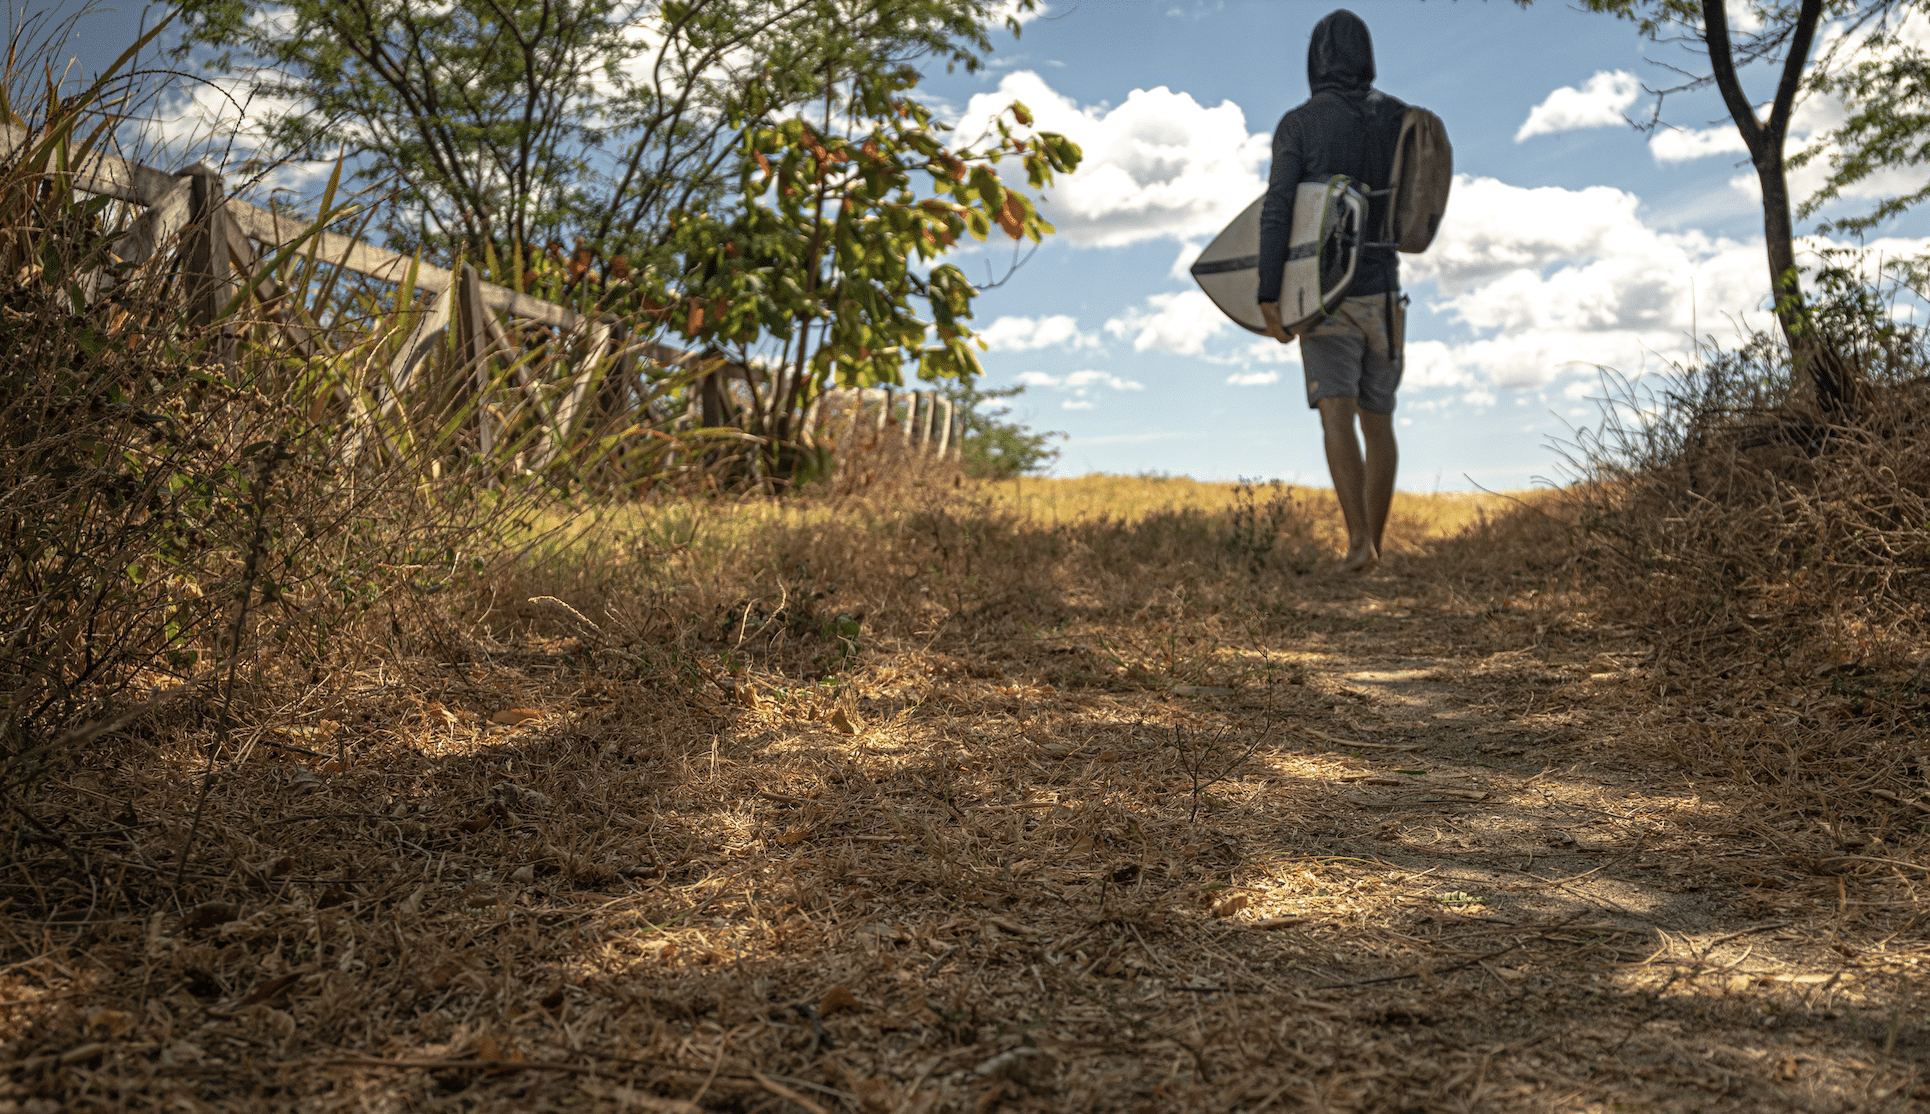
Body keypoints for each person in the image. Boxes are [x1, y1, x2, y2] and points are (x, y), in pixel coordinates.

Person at [1256, 9, 1407, 575]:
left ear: (1315, 59)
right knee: (1380, 421)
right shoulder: (1400, 118)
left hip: (1323, 295)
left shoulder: (1298, 124)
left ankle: (1357, 543)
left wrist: (1269, 292)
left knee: (1337, 418)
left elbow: (1278, 211)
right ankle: (1379, 546)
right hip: (1385, 294)